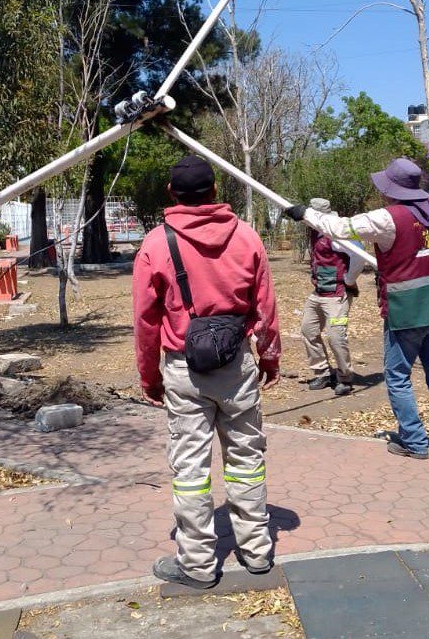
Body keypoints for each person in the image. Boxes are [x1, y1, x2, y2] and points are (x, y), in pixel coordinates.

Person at [133, 154, 281, 589]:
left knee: (191, 469)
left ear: (171, 195)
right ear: (215, 191)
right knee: (247, 461)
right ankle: (257, 553)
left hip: (184, 372)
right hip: (238, 368)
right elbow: (265, 310)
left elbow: (145, 319)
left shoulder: (156, 245)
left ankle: (197, 565)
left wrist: (150, 377)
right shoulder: (248, 237)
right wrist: (269, 359)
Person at [285, 158, 429, 460]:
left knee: (399, 376)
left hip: (406, 310)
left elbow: (341, 228)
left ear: (392, 189)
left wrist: (305, 214)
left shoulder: (387, 217)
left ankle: (415, 442)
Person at [301, 198, 364, 397]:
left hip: (337, 296)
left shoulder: (337, 232)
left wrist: (349, 279)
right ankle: (322, 372)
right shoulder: (316, 231)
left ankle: (345, 377)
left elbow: (359, 255)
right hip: (318, 293)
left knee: (336, 336)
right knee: (308, 330)